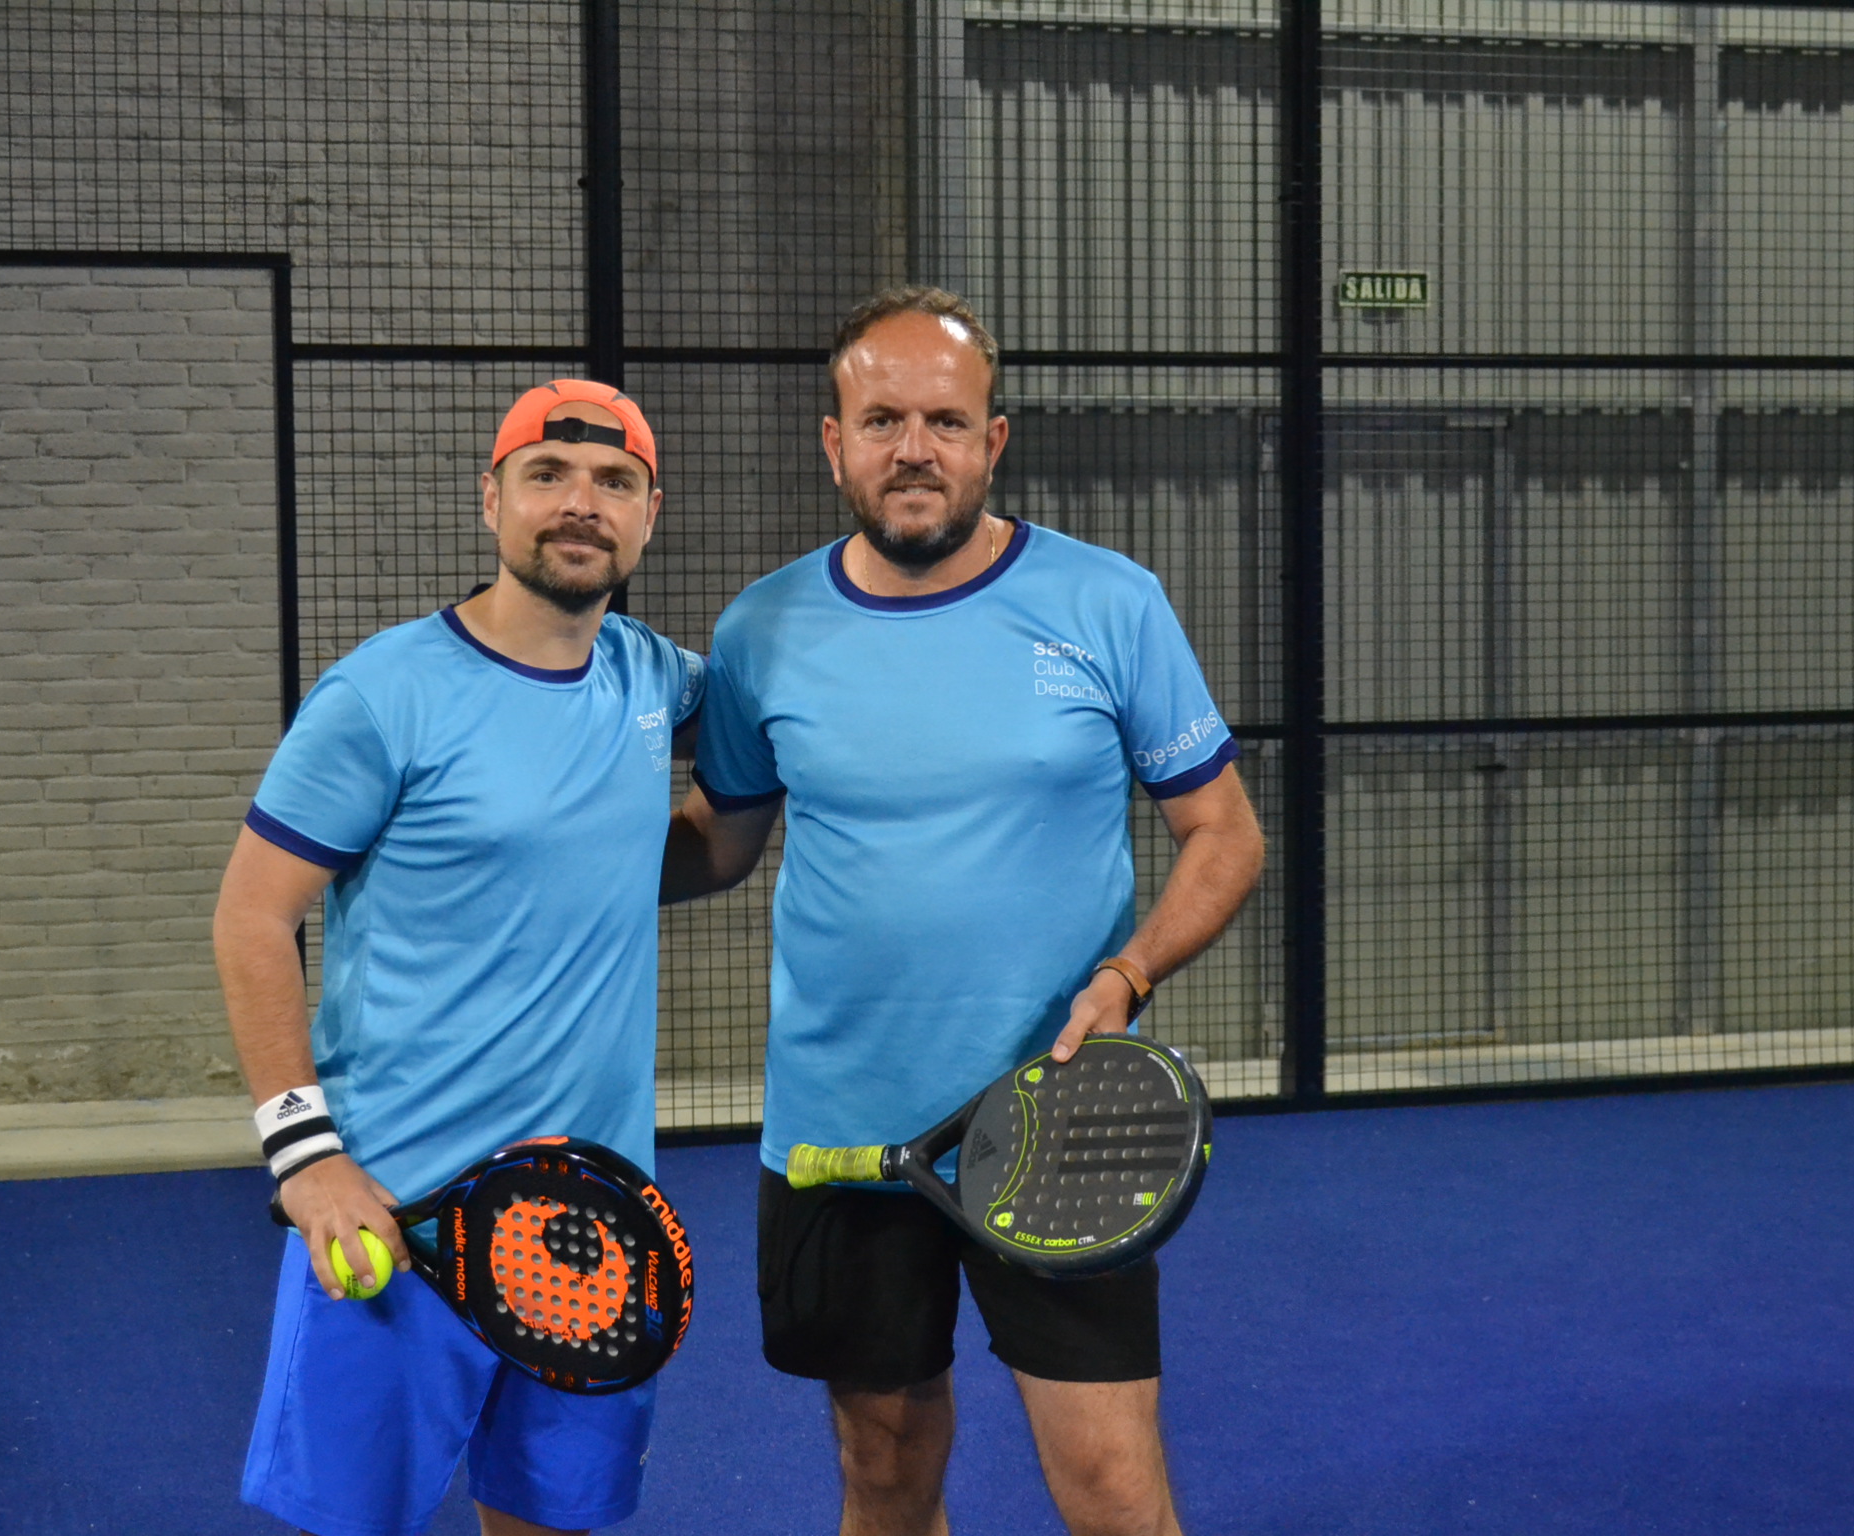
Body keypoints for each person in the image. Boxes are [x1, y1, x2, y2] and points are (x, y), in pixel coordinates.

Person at [662, 288, 1264, 1536]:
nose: (913, 449)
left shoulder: (1109, 603)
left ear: (994, 441)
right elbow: (718, 844)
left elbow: (1226, 834)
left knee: (1112, 1488)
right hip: (842, 1133)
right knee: (883, 1472)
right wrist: (545, 849)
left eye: (945, 421)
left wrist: (1130, 975)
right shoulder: (761, 630)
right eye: (881, 420)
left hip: (1059, 1118)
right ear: (834, 443)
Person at [215, 380, 702, 1536]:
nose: (580, 504)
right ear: (493, 500)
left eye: (614, 482)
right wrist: (304, 1157)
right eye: (548, 476)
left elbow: (765, 749)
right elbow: (250, 919)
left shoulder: (654, 679)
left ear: (648, 516)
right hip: (397, 1215)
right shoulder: (383, 695)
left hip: (589, 1225)